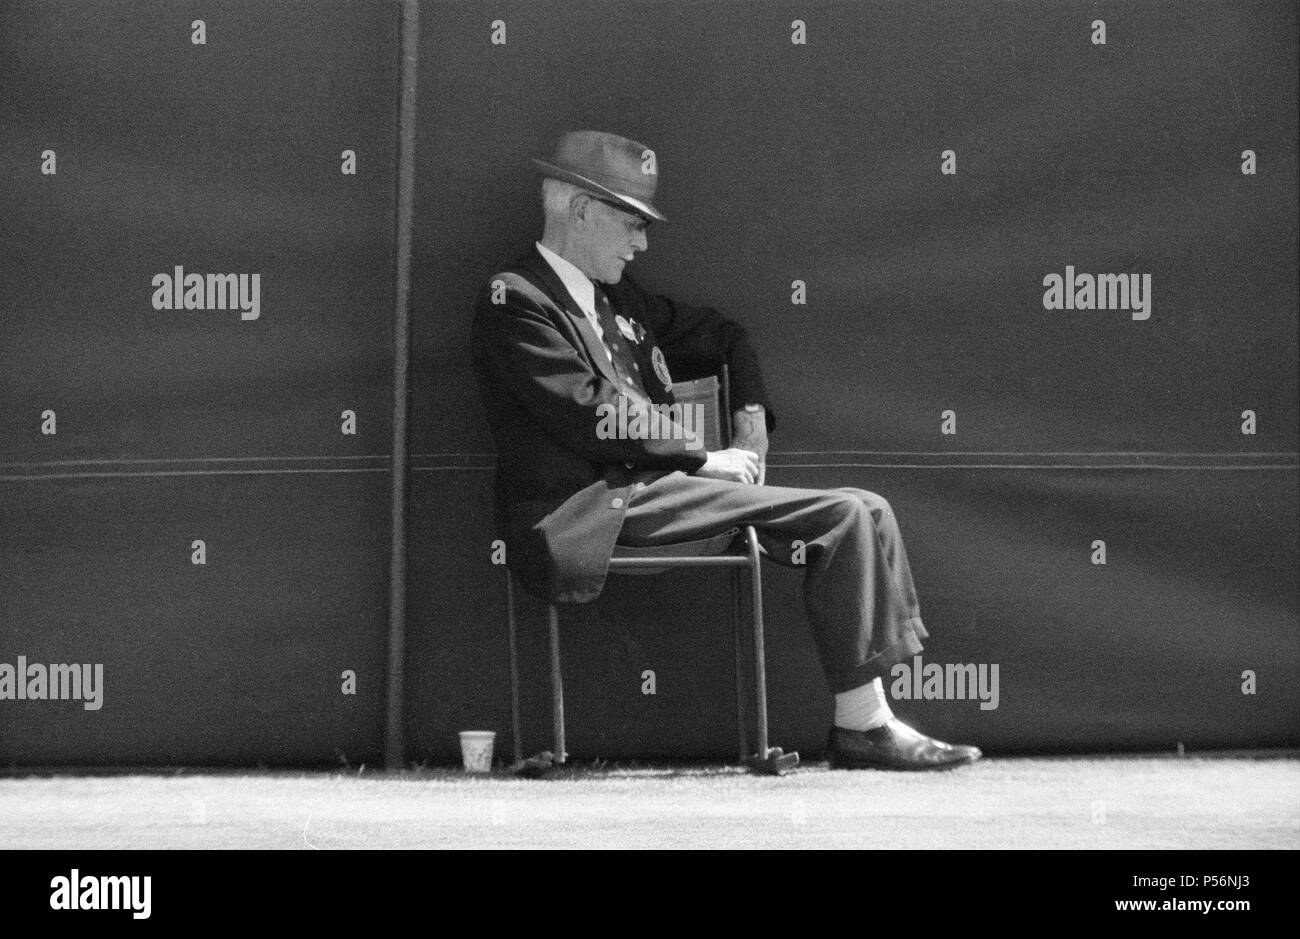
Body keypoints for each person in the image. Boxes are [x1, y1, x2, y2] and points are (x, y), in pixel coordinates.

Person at [471, 130, 981, 770]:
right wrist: (702, 457)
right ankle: (866, 726)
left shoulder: (625, 299)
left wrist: (750, 423)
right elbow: (586, 409)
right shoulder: (515, 299)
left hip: (662, 497)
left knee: (865, 509)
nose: (643, 242)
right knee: (848, 513)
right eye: (632, 223)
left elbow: (725, 336)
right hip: (590, 509)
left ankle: (863, 722)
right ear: (580, 212)